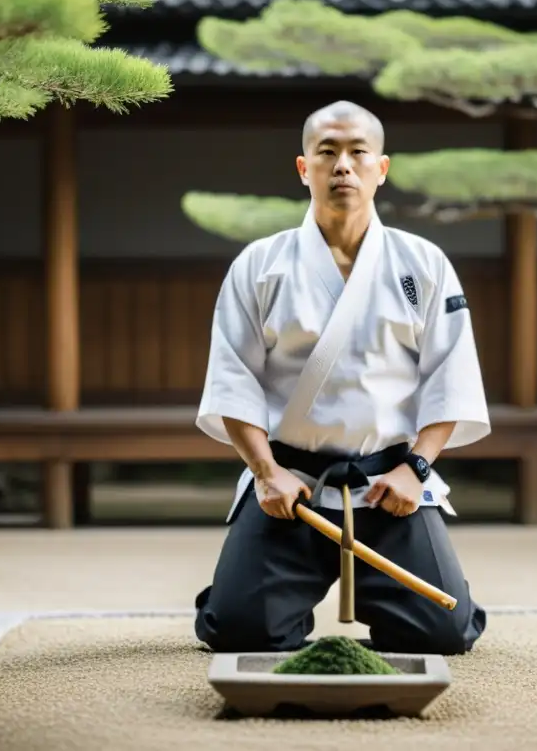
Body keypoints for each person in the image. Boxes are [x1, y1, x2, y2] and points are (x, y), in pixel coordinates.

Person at [192, 100, 491, 656]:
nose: (343, 166)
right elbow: (232, 380)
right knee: (239, 632)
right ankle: (241, 586)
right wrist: (265, 472)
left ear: (382, 168)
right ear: (304, 168)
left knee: (445, 632)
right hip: (291, 488)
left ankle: (436, 584)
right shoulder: (260, 264)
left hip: (389, 486)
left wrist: (415, 470)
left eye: (358, 153)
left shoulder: (421, 262)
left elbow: (451, 379)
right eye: (327, 152)